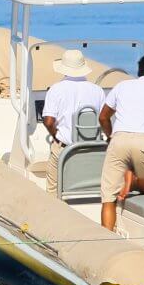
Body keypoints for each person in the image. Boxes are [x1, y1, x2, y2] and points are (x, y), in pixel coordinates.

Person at [97, 52, 144, 230]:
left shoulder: (121, 86)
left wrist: (110, 137)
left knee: (108, 198)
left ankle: (106, 238)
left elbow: (103, 117)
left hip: (119, 140)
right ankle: (136, 182)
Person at [40, 48, 105, 193]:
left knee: (53, 190)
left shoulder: (56, 90)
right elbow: (103, 119)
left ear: (63, 68)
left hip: (65, 149)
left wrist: (56, 136)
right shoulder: (97, 90)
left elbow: (49, 121)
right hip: (92, 148)